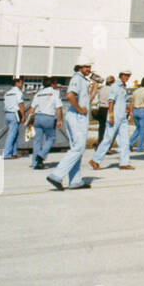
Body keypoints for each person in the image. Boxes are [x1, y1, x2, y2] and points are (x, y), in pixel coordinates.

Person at [47, 60, 94, 190]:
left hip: (80, 116)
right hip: (77, 117)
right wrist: (79, 109)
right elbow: (70, 95)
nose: (89, 69)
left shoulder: (83, 80)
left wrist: (93, 89)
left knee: (77, 148)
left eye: (89, 67)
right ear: (80, 67)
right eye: (86, 67)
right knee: (78, 147)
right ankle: (56, 175)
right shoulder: (77, 78)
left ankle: (75, 180)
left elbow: (86, 100)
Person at [91, 70, 134, 170]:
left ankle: (124, 162)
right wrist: (111, 116)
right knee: (108, 138)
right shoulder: (115, 86)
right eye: (126, 75)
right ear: (121, 76)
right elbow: (111, 102)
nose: (127, 77)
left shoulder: (123, 87)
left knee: (124, 140)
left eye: (128, 76)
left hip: (122, 117)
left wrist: (126, 109)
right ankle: (95, 160)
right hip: (114, 117)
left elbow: (121, 101)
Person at [28, 78, 63, 170]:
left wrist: (29, 121)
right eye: (55, 83)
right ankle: (41, 155)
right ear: (52, 84)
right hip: (48, 117)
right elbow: (59, 108)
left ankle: (35, 162)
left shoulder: (38, 93)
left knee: (37, 140)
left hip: (37, 117)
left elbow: (32, 108)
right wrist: (60, 120)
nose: (56, 85)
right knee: (51, 138)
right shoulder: (55, 93)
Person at [2, 77, 25, 159]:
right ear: (17, 83)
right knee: (12, 135)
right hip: (14, 114)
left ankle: (14, 153)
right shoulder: (18, 93)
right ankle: (7, 154)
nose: (22, 85)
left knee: (14, 133)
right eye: (21, 83)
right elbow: (21, 105)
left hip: (7, 114)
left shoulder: (7, 93)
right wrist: (23, 116)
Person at [130, 76, 144, 152]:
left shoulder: (135, 91)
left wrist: (131, 113)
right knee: (142, 130)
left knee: (138, 128)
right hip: (142, 110)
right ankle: (140, 147)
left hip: (135, 111)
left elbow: (132, 102)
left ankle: (130, 143)